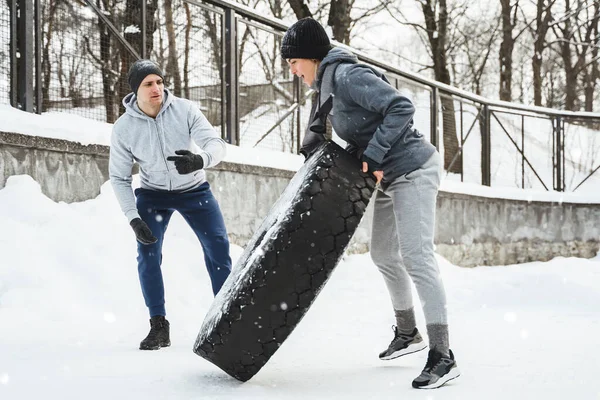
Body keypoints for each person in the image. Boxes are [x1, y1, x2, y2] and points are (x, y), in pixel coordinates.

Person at [280, 18, 460, 389]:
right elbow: (326, 128)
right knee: (383, 254)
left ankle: (443, 355)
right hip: (390, 175)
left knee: (416, 256)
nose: (292, 70)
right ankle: (408, 332)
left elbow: (400, 107)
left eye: (293, 61)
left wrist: (374, 154)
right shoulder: (327, 87)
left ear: (310, 57)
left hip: (414, 168)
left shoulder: (346, 75)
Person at [109, 59, 232, 351]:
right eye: (149, 84)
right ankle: (158, 326)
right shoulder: (124, 128)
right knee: (147, 253)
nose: (157, 89)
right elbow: (118, 176)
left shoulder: (185, 110)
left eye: (160, 82)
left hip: (194, 189)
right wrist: (133, 218)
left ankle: (227, 318)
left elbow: (217, 144)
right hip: (153, 195)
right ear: (135, 91)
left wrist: (199, 160)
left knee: (218, 247)